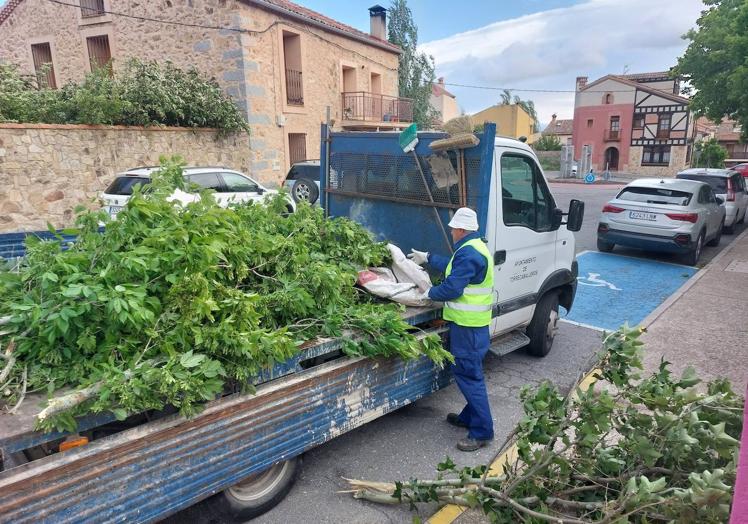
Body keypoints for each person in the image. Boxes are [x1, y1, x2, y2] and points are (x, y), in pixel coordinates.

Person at [408, 207, 494, 452]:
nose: (453, 232)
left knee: (469, 375)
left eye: (454, 229)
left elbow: (453, 288)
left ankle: (482, 431)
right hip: (474, 327)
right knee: (471, 373)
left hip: (469, 328)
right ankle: (470, 418)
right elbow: (453, 267)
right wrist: (428, 257)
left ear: (461, 229)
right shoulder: (475, 246)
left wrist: (429, 293)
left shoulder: (469, 253)